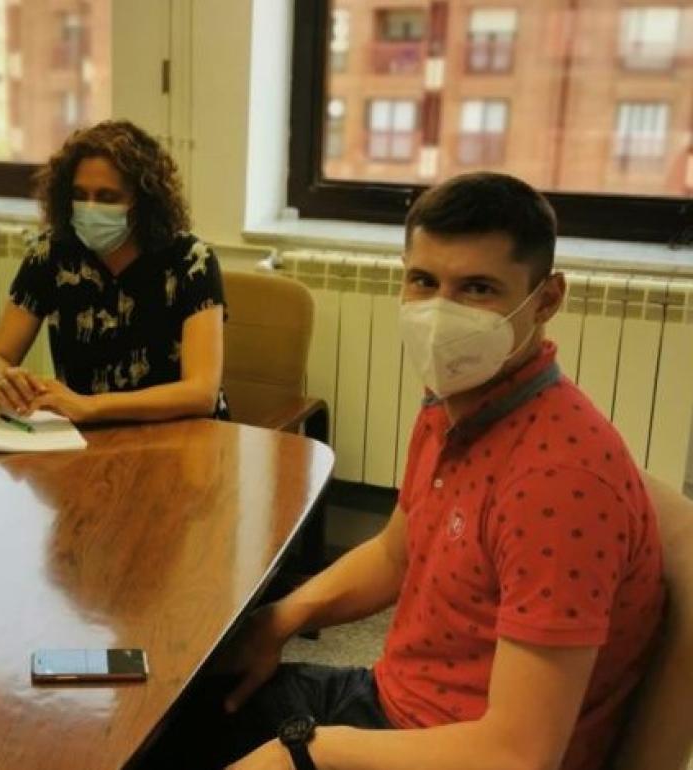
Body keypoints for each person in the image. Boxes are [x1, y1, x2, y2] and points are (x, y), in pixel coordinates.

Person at [176, 173, 663, 770]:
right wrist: (278, 621)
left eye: (478, 288)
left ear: (547, 299)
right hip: (396, 708)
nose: (441, 313)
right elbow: (397, 553)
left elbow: (519, 754)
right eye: (424, 281)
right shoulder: (452, 404)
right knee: (170, 711)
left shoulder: (560, 480)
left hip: (457, 751)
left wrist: (309, 752)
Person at [0, 119, 226, 423]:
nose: (89, 208)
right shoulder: (51, 254)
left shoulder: (191, 261)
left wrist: (90, 407)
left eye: (107, 197)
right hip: (86, 439)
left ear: (143, 201)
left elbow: (201, 393)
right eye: (80, 195)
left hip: (181, 438)